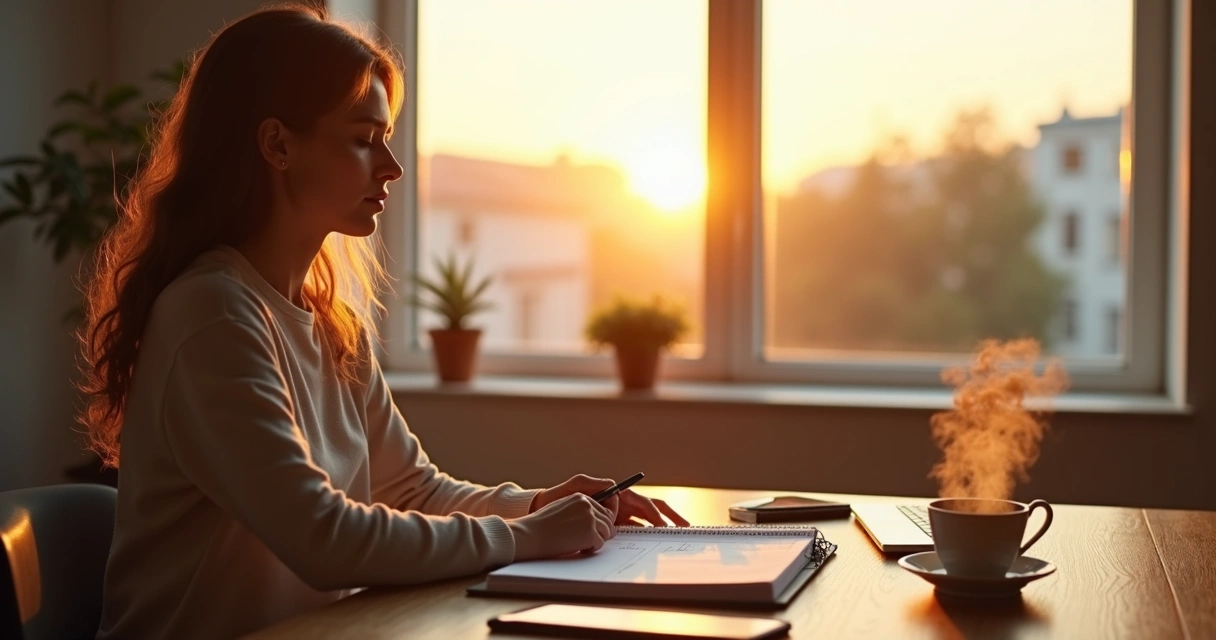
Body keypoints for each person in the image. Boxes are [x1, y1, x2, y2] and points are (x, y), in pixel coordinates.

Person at [77, 5, 688, 639]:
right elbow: (322, 539)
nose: (392, 166)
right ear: (278, 144)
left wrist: (538, 505)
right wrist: (526, 535)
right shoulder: (213, 315)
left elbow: (412, 491)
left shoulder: (330, 323)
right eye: (364, 139)